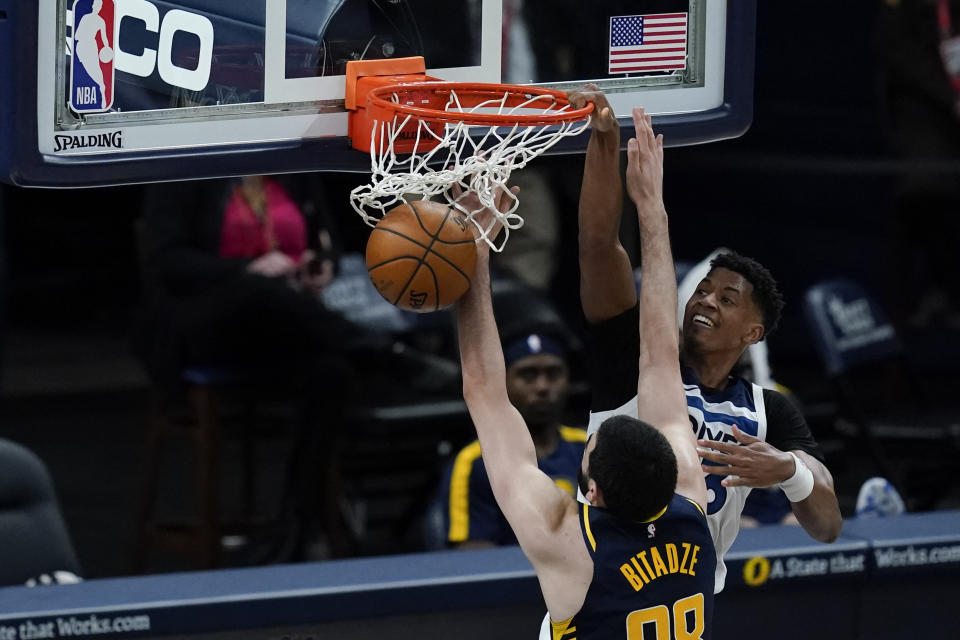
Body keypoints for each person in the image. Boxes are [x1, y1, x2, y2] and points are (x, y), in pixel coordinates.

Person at [567, 86, 842, 594]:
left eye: (728, 299)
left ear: (753, 334)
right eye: (703, 289)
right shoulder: (631, 361)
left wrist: (789, 471)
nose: (707, 301)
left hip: (689, 604)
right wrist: (604, 145)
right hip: (599, 586)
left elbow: (827, 526)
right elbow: (597, 247)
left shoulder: (769, 412)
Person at [458, 108, 715, 638]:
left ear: (591, 493)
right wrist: (653, 213)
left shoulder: (575, 549)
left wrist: (474, 252)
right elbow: (663, 359)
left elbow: (660, 358)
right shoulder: (691, 505)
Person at [135, 174, 359, 560]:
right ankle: (373, 348)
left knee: (332, 373)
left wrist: (319, 265)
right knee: (259, 291)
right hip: (207, 327)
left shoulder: (296, 170)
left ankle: (295, 526)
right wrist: (246, 269)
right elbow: (167, 261)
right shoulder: (185, 168)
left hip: (283, 331)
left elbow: (328, 242)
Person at [438, 324, 586, 548]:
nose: (543, 386)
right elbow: (473, 558)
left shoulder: (592, 449)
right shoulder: (476, 463)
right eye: (528, 375)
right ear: (502, 382)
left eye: (553, 373)